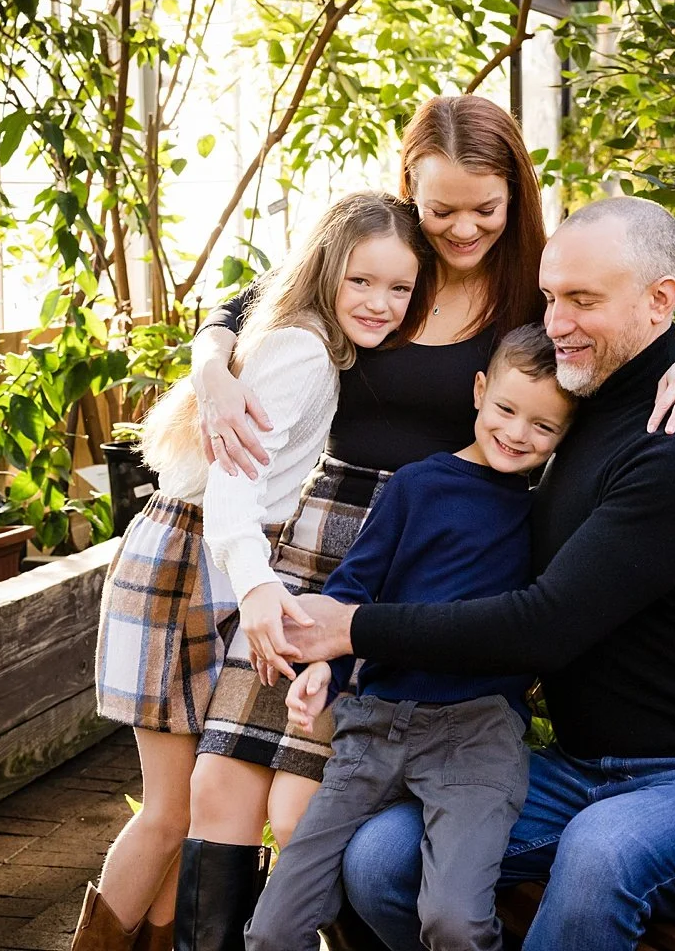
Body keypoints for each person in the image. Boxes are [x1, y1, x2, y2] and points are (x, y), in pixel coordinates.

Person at [188, 95, 675, 951]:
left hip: (450, 562)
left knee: (314, 810)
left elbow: (630, 335)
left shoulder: (534, 296)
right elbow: (264, 293)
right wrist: (211, 362)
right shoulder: (394, 257)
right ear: (411, 191)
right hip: (339, 533)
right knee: (226, 782)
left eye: (486, 208)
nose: (464, 228)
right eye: (443, 209)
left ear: (517, 196)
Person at [283, 197, 675, 951]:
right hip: (582, 770)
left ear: (660, 300)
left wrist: (352, 627)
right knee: (380, 861)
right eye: (551, 297)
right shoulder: (577, 402)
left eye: (583, 301)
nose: (557, 320)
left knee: (603, 852)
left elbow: (546, 626)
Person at [77, 192, 432, 951]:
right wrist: (260, 583)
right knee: (170, 811)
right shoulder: (302, 349)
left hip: (215, 557)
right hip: (193, 560)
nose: (380, 303)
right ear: (328, 268)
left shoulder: (306, 335)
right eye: (362, 282)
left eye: (399, 288)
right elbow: (233, 484)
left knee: (188, 812)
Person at [244, 324, 577, 951]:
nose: (516, 433)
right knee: (274, 927)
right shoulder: (417, 485)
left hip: (477, 735)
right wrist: (327, 670)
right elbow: (354, 586)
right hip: (376, 727)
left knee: (452, 918)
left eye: (544, 427)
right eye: (507, 409)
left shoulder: (545, 513)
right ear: (480, 392)